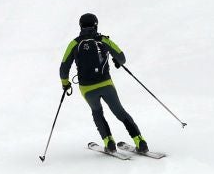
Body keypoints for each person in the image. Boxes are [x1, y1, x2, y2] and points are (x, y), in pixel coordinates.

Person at [60, 12, 148, 155]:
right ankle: (140, 141)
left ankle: (109, 143)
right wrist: (117, 62)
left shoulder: (74, 43)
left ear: (80, 26)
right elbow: (122, 58)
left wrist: (65, 83)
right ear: (96, 24)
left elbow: (64, 68)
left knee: (97, 112)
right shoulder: (103, 40)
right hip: (106, 83)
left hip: (87, 88)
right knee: (119, 111)